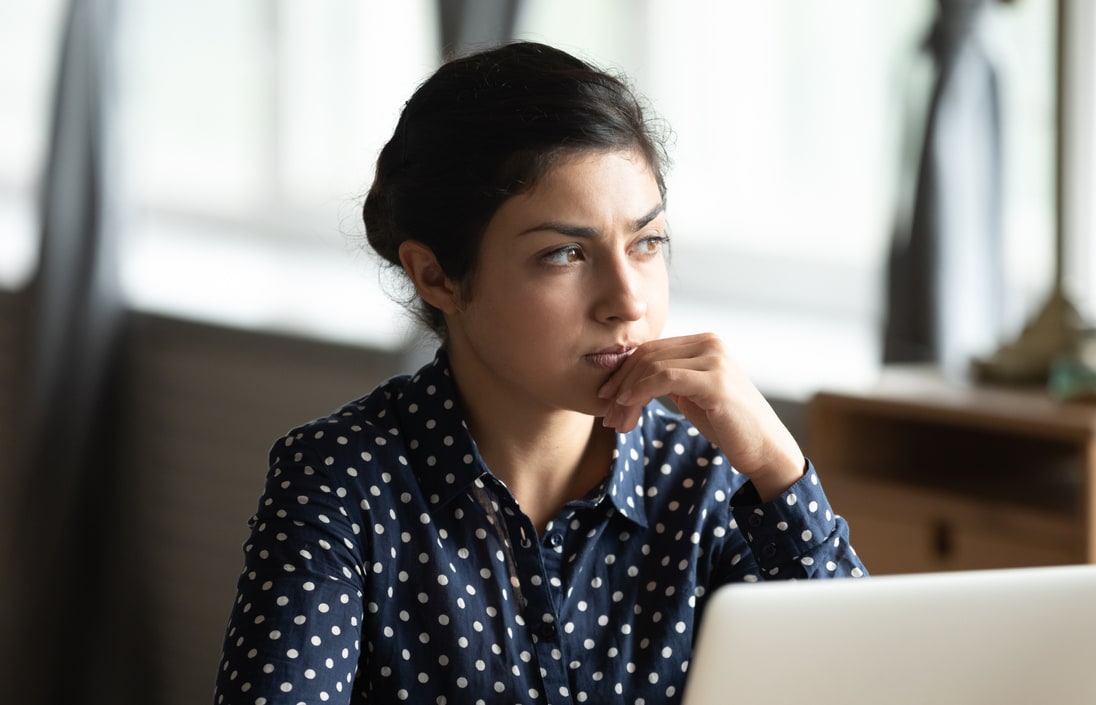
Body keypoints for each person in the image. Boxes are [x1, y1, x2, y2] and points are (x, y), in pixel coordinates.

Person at [213, 41, 864, 705]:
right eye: (564, 253)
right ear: (436, 275)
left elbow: (866, 680)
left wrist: (778, 467)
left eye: (646, 242)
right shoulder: (343, 479)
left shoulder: (711, 484)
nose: (628, 300)